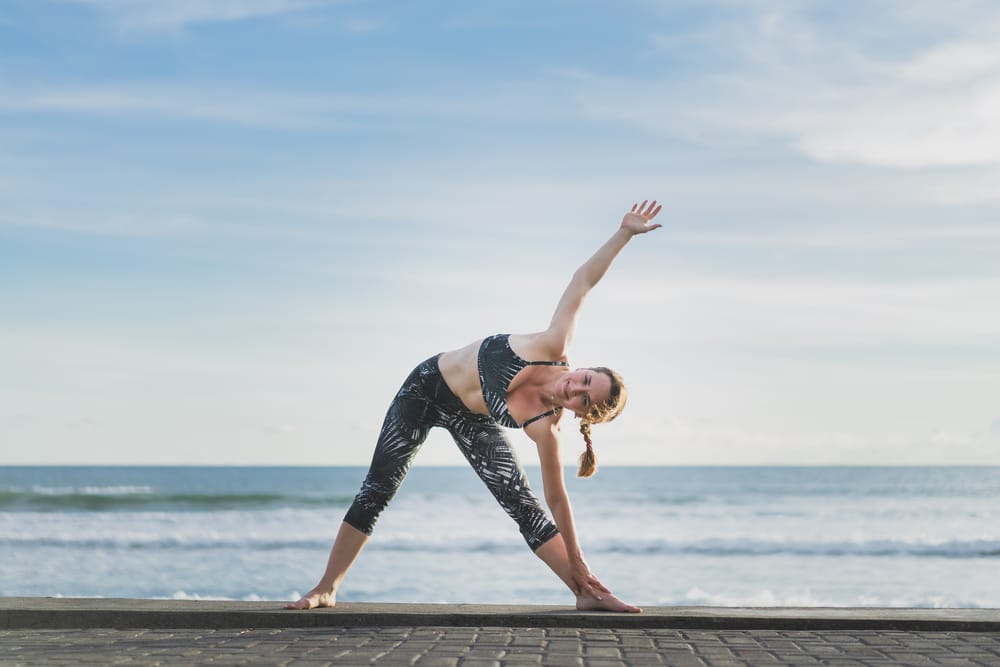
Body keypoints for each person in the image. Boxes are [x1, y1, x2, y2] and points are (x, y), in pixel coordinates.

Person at [287, 200, 663, 613]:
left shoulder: (545, 426)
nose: (576, 388)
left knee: (522, 504)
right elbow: (582, 281)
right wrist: (624, 234)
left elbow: (556, 500)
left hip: (470, 419)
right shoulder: (552, 344)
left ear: (582, 414)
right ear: (587, 368)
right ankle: (326, 587)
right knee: (378, 487)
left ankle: (585, 593)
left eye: (584, 400)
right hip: (425, 389)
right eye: (586, 379)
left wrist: (579, 561)